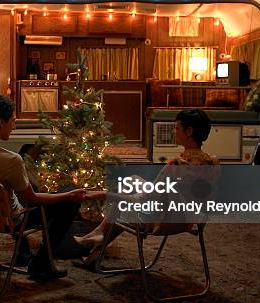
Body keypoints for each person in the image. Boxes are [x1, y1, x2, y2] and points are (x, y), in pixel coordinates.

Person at [0, 94, 87, 280]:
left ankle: (23, 253)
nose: (14, 126)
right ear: (1, 122)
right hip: (8, 220)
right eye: (12, 121)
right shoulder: (11, 161)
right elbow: (32, 200)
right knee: (68, 201)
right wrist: (68, 196)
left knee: (20, 188)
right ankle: (41, 264)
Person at [73, 108, 219, 267]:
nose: (174, 131)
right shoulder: (212, 163)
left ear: (189, 131)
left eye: (177, 128)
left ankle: (98, 237)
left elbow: (144, 200)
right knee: (133, 181)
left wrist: (101, 194)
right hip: (190, 219)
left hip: (161, 220)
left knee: (122, 203)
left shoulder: (176, 166)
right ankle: (97, 242)